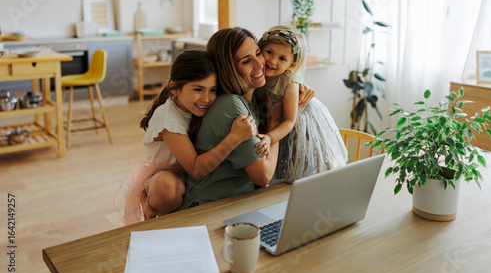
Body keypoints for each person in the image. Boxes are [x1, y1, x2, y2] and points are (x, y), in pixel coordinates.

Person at [114, 50, 256, 224]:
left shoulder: (194, 105)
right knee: (166, 188)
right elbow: (196, 170)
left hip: (187, 171)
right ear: (175, 87)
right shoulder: (168, 118)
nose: (206, 98)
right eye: (198, 89)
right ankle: (163, 222)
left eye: (212, 90)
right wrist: (234, 137)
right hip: (167, 174)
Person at [180, 27, 288, 208]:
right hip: (204, 209)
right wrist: (276, 123)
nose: (259, 64)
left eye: (258, 53)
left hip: (234, 203)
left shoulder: (250, 98)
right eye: (246, 61)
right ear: (228, 69)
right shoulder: (230, 106)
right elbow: (263, 176)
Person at [256, 25, 348, 183]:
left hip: (298, 126)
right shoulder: (258, 74)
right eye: (269, 52)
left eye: (282, 58)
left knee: (302, 167)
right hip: (277, 122)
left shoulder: (289, 85)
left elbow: (289, 121)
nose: (272, 60)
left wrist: (270, 137)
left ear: (291, 65)